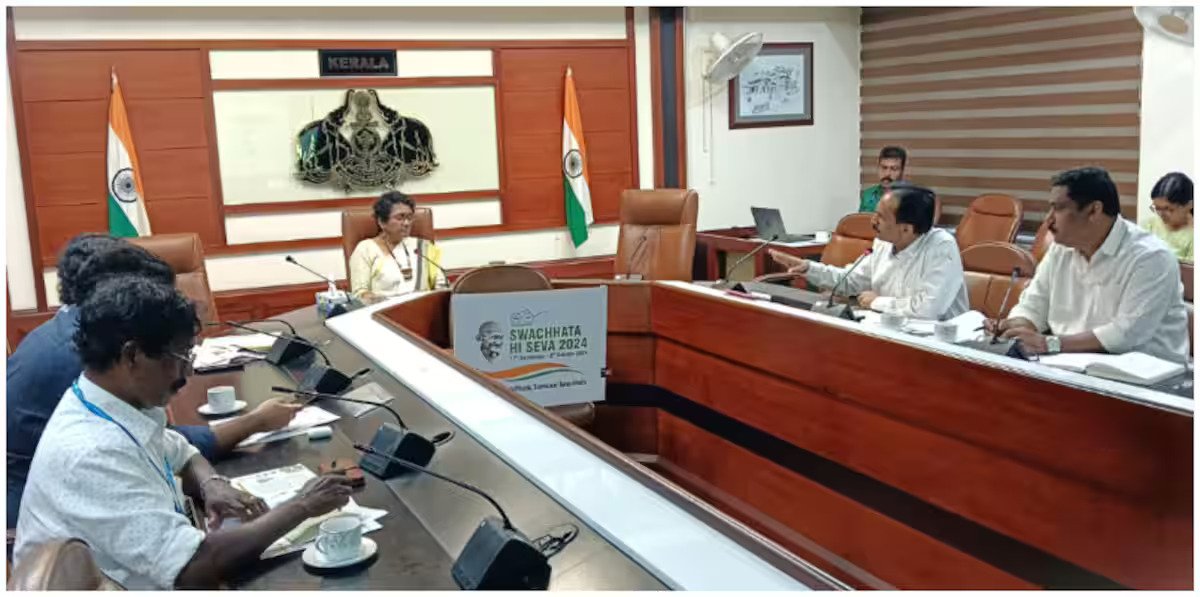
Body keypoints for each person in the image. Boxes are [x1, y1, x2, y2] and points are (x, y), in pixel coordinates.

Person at [14, 276, 354, 589]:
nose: (188, 370)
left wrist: (212, 484)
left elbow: (179, 449)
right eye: (180, 356)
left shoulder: (106, 399)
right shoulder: (93, 453)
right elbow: (195, 567)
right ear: (132, 356)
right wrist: (303, 506)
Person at [6, 234, 300, 529]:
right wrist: (256, 422)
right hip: (47, 523)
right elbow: (157, 442)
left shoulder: (72, 330)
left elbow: (166, 441)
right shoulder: (87, 357)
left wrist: (210, 480)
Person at [986, 167, 1189, 362]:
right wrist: (1016, 327)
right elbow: (1034, 305)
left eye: (1058, 208)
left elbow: (1125, 334)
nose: (1048, 220)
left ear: (1093, 210)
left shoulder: (1151, 257)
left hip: (1145, 376)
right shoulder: (1061, 249)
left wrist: (1050, 344)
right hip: (1068, 364)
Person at [771, 183, 969, 321]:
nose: (873, 221)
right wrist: (808, 268)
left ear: (906, 228)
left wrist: (877, 302)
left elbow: (928, 310)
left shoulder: (941, 247)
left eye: (881, 217)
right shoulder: (883, 242)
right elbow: (850, 281)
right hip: (891, 333)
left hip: (943, 346)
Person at [348, 191, 447, 303]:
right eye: (400, 218)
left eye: (410, 217)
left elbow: (441, 286)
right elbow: (360, 294)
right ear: (381, 222)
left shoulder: (423, 247)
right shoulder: (365, 249)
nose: (407, 223)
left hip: (424, 307)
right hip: (384, 309)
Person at [1141, 172, 1193, 262]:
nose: (1161, 214)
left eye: (1168, 209)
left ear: (1189, 205)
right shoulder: (1149, 225)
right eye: (1157, 208)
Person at [859, 146, 907, 213]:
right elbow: (860, 219)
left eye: (894, 169)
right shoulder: (868, 195)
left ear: (902, 171)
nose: (887, 174)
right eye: (884, 168)